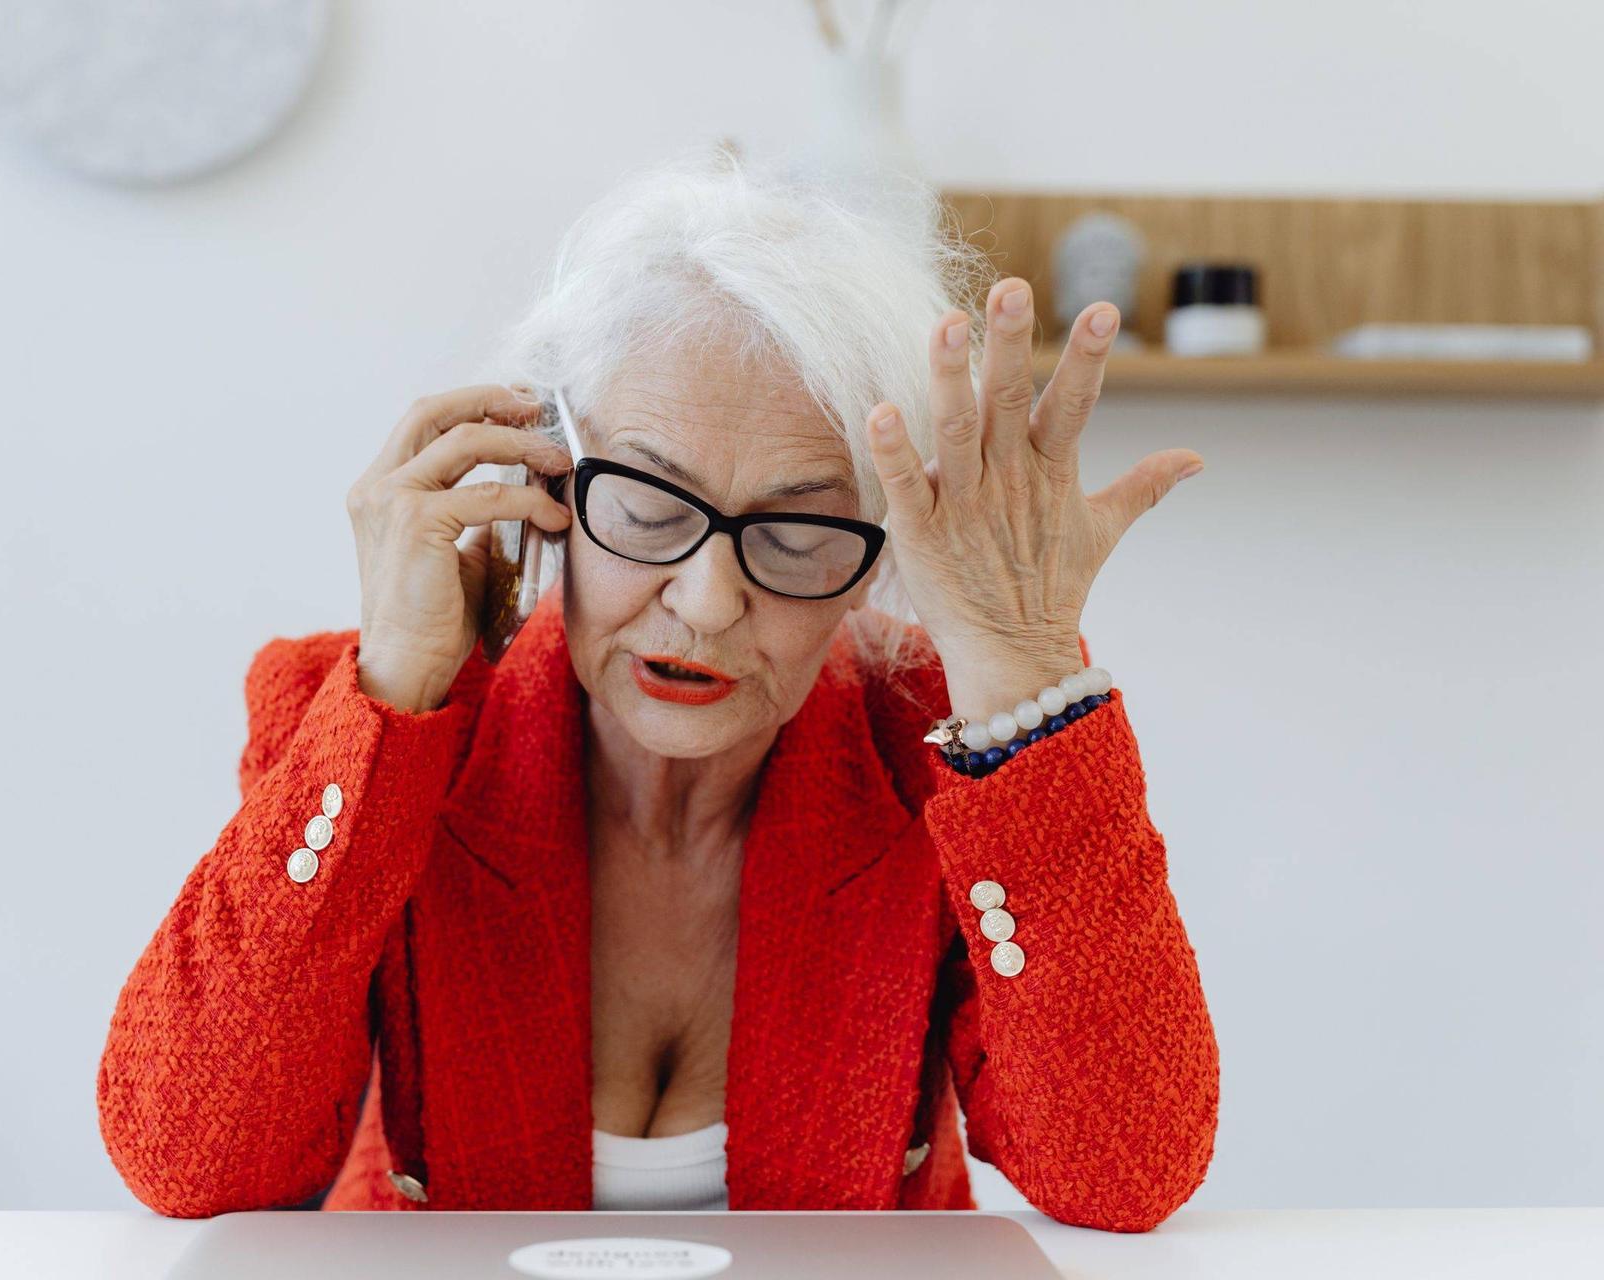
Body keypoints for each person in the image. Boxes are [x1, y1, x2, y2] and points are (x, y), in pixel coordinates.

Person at [96, 148, 1217, 1229]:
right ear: (547, 475)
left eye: (795, 531)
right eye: (645, 504)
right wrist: (392, 690)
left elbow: (1126, 1172)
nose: (708, 598)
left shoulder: (936, 734)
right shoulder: (377, 714)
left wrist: (1021, 677)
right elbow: (186, 1158)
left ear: (886, 548)